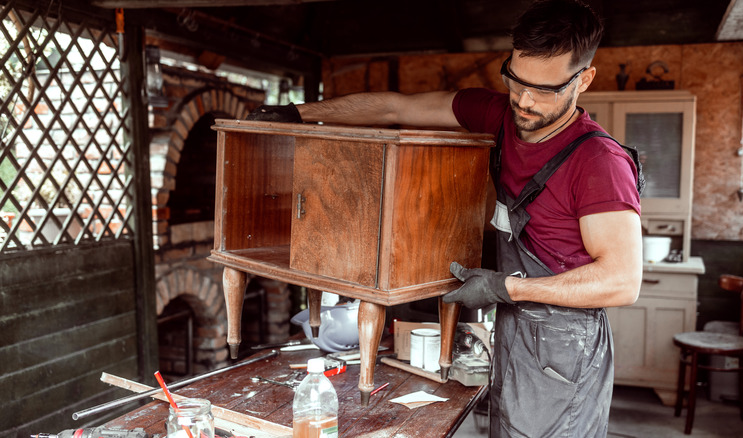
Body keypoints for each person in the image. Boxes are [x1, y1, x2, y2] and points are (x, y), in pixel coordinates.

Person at [248, 0, 643, 436]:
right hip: (517, 327)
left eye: (545, 90)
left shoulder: (598, 161)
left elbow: (622, 281)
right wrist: (299, 113)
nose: (525, 101)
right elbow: (393, 109)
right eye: (516, 80)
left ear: (583, 79)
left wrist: (502, 287)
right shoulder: (499, 116)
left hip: (567, 341)